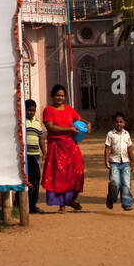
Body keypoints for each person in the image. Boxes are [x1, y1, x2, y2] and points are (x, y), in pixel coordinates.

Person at [41, 84, 88, 212]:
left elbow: (79, 119)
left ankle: (70, 199)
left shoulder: (68, 109)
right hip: (57, 147)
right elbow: (50, 127)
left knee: (78, 172)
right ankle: (62, 204)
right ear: (52, 96)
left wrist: (87, 124)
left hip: (71, 146)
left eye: (62, 96)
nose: (60, 98)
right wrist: (69, 129)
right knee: (60, 175)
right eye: (57, 95)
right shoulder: (48, 110)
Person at [104, 112, 134, 212]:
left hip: (125, 163)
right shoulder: (110, 134)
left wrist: (132, 161)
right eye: (116, 122)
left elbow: (129, 148)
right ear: (113, 123)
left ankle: (127, 203)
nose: (119, 124)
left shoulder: (127, 134)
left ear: (124, 123)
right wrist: (106, 161)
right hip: (114, 163)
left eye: (121, 122)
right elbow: (107, 148)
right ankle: (111, 198)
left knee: (126, 183)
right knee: (115, 182)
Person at [24, 99, 45, 213]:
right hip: (25, 157)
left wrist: (44, 153)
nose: (31, 112)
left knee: (36, 179)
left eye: (33, 110)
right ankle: (21, 203)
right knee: (24, 179)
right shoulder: (22, 122)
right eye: (29, 110)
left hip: (35, 156)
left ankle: (33, 204)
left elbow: (41, 138)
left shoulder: (37, 123)